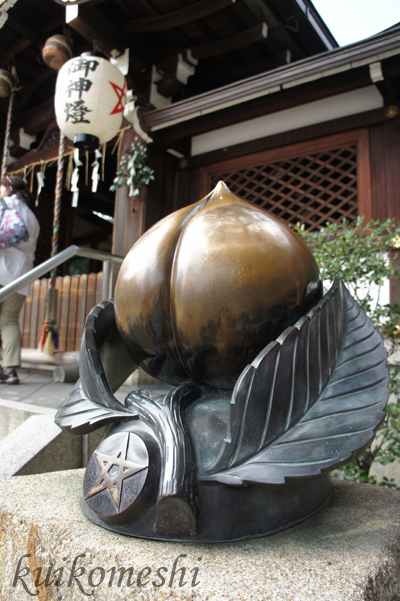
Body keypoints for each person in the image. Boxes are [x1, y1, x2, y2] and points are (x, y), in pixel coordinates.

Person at [0, 176, 40, 384]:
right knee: (8, 321)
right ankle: (10, 369)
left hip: (2, 270)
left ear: (8, 188)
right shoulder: (32, 216)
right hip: (22, 276)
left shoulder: (5, 205)